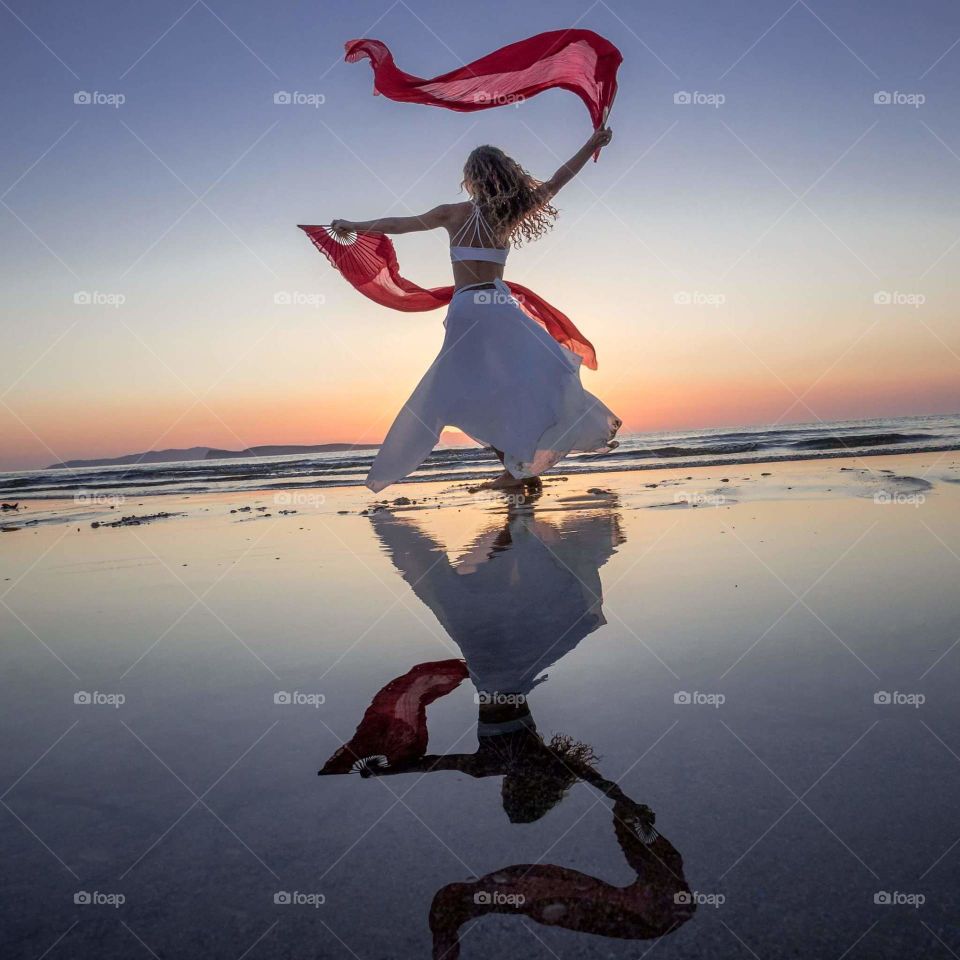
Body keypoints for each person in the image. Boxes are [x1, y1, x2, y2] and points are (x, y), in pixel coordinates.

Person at [331, 129, 622, 491]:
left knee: (469, 390)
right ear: (506, 175)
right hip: (499, 306)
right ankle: (518, 468)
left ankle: (515, 471)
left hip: (468, 309)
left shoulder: (451, 214)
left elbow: (397, 226)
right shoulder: (510, 214)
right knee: (522, 382)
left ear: (471, 179)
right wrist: (592, 144)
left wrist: (353, 225)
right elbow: (559, 179)